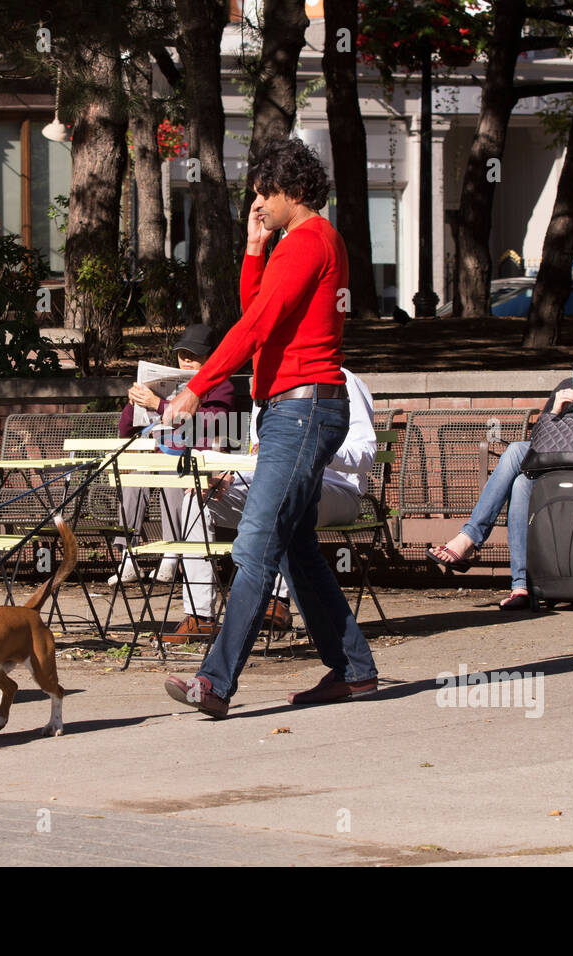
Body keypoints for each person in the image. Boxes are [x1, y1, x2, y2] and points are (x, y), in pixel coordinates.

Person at [160, 137, 378, 717]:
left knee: (256, 542)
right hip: (294, 407)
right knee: (295, 548)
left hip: (303, 408)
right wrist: (254, 249)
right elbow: (261, 310)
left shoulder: (309, 240)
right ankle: (354, 669)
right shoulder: (294, 242)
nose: (257, 202)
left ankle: (215, 682)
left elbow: (256, 323)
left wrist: (196, 386)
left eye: (265, 193)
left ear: (294, 191)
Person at [426, 313, 573, 609]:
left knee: (515, 458)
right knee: (523, 478)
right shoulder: (568, 383)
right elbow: (542, 441)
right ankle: (521, 587)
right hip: (561, 462)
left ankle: (469, 540)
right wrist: (556, 410)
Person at [172, 367, 376, 643]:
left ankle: (276, 602)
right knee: (198, 498)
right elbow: (262, 457)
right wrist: (232, 474)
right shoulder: (266, 383)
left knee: (284, 493)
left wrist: (311, 447)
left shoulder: (339, 379)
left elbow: (366, 455)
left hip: (338, 490)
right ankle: (200, 616)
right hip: (277, 485)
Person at [111, 324, 235, 586]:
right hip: (157, 452)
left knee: (172, 470)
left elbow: (215, 424)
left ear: (210, 357)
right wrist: (133, 403)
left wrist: (159, 405)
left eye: (194, 355)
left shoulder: (220, 387)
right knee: (136, 475)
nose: (186, 360)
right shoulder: (160, 383)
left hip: (196, 458)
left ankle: (172, 554)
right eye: (182, 354)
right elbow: (126, 429)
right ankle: (128, 557)